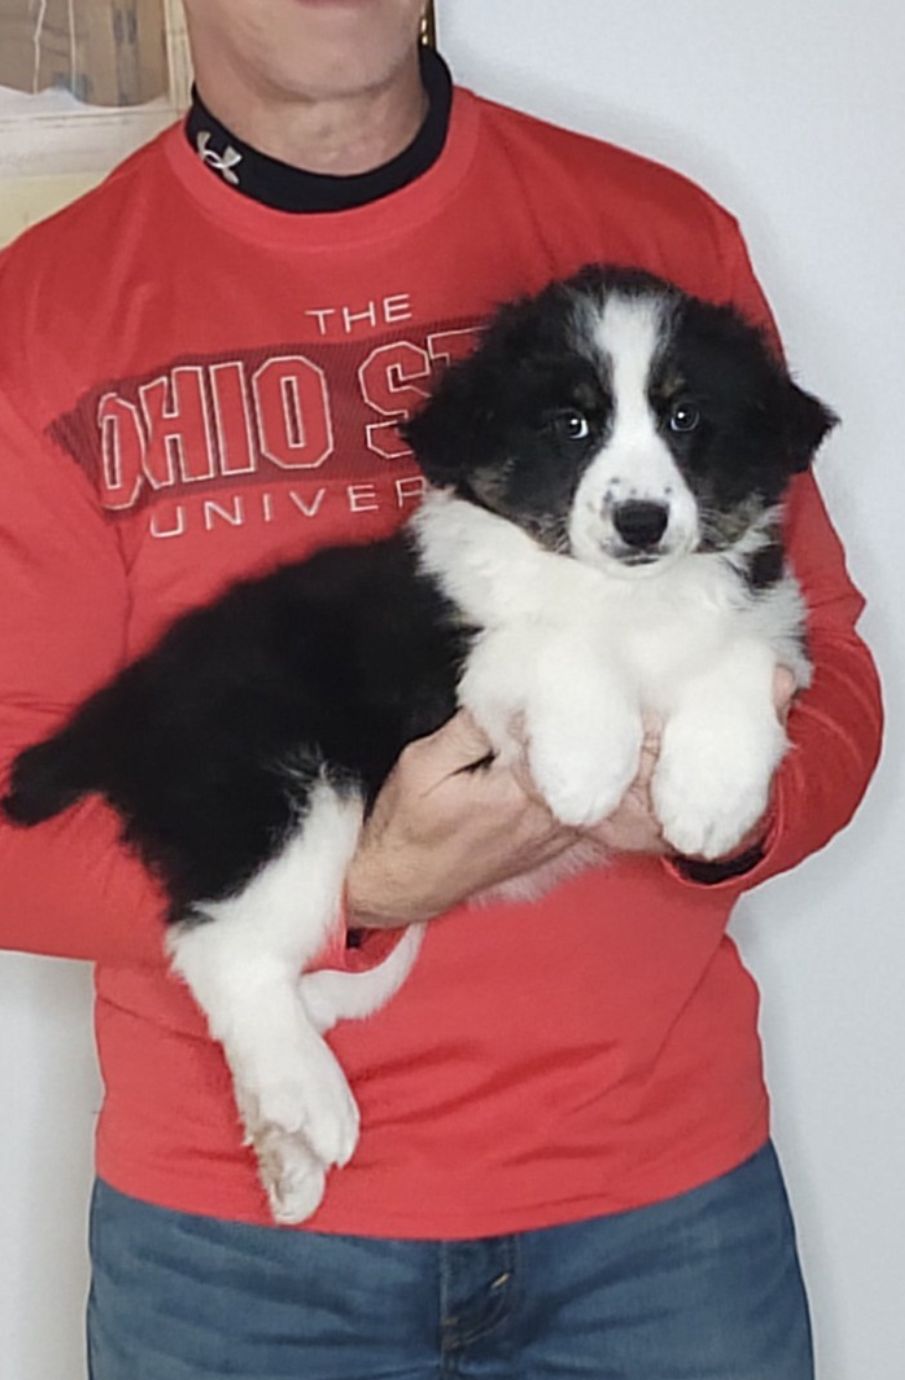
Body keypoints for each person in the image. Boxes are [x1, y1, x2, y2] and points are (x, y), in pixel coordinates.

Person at [0, 2, 882, 1377]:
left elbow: (826, 667)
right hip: (238, 1253)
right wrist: (361, 890)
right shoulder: (39, 314)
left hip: (661, 1214)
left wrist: (732, 814)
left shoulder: (658, 236)